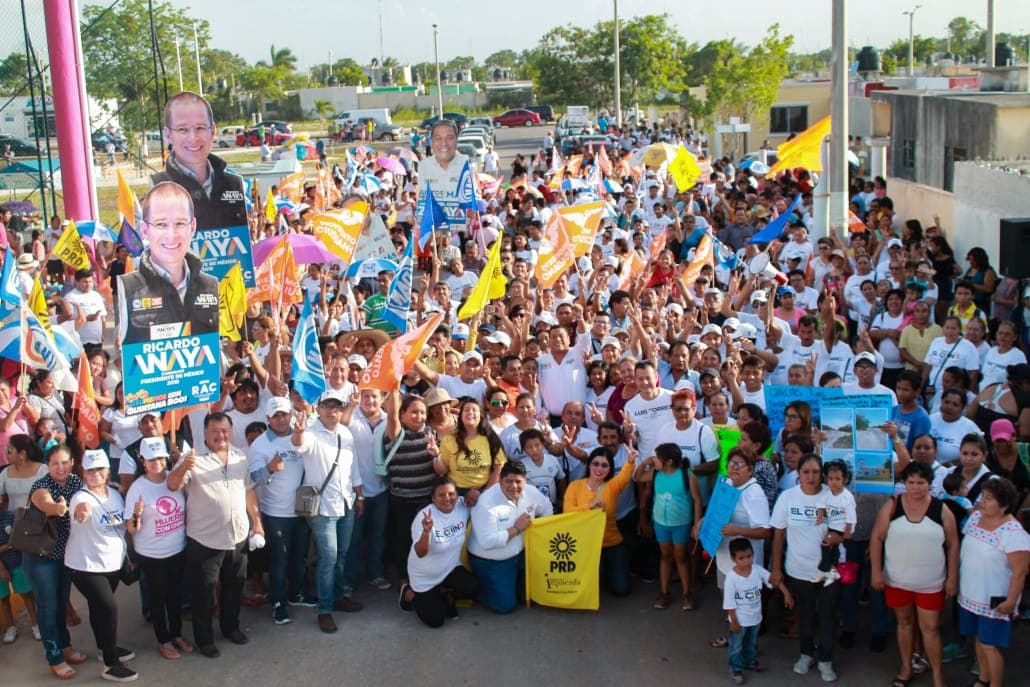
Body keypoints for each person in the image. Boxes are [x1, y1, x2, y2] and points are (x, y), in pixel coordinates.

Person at [166, 413, 265, 658]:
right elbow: (172, 485)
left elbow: (248, 491)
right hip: (205, 539)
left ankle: (231, 628)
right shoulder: (192, 458)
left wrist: (257, 522)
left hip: (237, 536)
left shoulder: (240, 456)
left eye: (225, 430)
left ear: (231, 431)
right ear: (205, 433)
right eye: (215, 431)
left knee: (234, 587)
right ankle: (205, 639)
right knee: (204, 594)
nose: (220, 435)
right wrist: (183, 468)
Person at [870, 461, 960, 687]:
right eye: (911, 482)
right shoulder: (892, 505)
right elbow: (877, 538)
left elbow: (953, 544)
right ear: (905, 483)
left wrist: (952, 577)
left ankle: (938, 677)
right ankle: (906, 667)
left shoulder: (942, 509)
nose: (916, 487)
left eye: (921, 482)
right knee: (904, 623)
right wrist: (876, 572)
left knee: (931, 629)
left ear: (929, 484)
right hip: (896, 580)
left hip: (931, 583)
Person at [116, 181, 219, 345]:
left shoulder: (210, 285)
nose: (171, 235)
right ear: (145, 230)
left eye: (180, 223)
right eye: (161, 224)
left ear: (192, 227)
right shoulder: (129, 288)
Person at [66, 449, 138, 682]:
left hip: (112, 563)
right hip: (86, 566)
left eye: (100, 469)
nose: (95, 474)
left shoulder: (115, 495)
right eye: (90, 470)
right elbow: (80, 513)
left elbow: (122, 524)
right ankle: (110, 664)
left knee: (99, 608)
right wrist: (82, 514)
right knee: (108, 608)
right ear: (83, 473)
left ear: (108, 471)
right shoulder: (80, 498)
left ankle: (104, 647)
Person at [771, 453, 843, 683]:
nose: (811, 477)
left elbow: (844, 531)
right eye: (806, 472)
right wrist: (776, 568)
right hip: (798, 569)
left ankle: (826, 659)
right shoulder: (787, 498)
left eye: (815, 472)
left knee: (827, 615)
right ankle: (806, 653)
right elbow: (778, 535)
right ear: (798, 474)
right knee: (805, 614)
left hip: (829, 570)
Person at [123, 437, 192, 660]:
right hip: (152, 554)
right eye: (151, 459)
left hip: (177, 549)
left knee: (175, 596)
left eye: (160, 458)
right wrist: (137, 514)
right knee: (158, 598)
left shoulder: (175, 479)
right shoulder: (138, 487)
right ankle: (163, 640)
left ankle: (177, 634)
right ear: (143, 461)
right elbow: (131, 528)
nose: (156, 463)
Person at [957, 478, 1029, 687]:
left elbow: (1020, 572)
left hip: (995, 600)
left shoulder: (1014, 533)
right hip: (970, 593)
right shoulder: (974, 518)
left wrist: (1011, 601)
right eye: (982, 496)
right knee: (979, 640)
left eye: (989, 498)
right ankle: (983, 679)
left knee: (989, 645)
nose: (981, 501)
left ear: (1004, 505)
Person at [24, 445, 87, 679]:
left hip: (65, 556)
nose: (60, 468)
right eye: (54, 463)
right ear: (47, 466)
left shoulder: (76, 482)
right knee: (47, 607)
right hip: (41, 558)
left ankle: (65, 646)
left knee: (61, 604)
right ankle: (54, 656)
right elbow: (44, 502)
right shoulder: (41, 486)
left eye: (64, 462)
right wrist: (56, 508)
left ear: (72, 463)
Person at [247, 397, 311, 624]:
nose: (281, 419)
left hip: (302, 508)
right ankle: (277, 603)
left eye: (284, 414)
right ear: (268, 418)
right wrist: (270, 468)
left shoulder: (301, 434)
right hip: (276, 514)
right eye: (276, 416)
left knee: (299, 557)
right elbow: (253, 480)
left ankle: (296, 594)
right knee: (278, 562)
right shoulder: (260, 445)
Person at [151, 91, 247, 230]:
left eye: (200, 128)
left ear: (212, 131)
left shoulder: (233, 184)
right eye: (182, 129)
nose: (193, 138)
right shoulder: (159, 187)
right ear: (168, 134)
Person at [467, 460, 552, 613]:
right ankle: (473, 588)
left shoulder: (531, 491)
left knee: (533, 593)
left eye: (518, 481)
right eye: (508, 481)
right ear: (500, 480)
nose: (514, 486)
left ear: (525, 480)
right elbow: (487, 542)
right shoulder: (485, 503)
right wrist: (517, 529)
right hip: (492, 561)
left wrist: (539, 531)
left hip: (522, 554)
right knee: (505, 605)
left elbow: (547, 508)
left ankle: (509, 584)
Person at [563, 445, 638, 597]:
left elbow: (625, 475)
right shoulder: (574, 486)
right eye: (595, 463)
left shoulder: (612, 486)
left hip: (611, 544)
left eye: (604, 465)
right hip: (584, 545)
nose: (599, 468)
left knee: (621, 590)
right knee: (584, 589)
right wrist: (588, 507)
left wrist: (630, 461)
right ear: (589, 465)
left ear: (610, 469)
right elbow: (567, 512)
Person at [406, 477, 479, 627]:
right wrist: (426, 532)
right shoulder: (424, 517)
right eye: (441, 495)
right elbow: (420, 553)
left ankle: (445, 593)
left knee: (473, 587)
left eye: (451, 494)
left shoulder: (463, 505)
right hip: (425, 577)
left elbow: (481, 500)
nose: (447, 499)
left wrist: (476, 493)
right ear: (433, 498)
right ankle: (409, 593)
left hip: (449, 569)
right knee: (436, 621)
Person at [636, 443, 702, 610]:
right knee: (665, 556)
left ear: (669, 461)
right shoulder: (656, 473)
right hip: (660, 524)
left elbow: (697, 500)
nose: (654, 460)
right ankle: (664, 593)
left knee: (681, 556)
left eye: (657, 458)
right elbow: (638, 477)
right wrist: (644, 463)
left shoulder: (687, 475)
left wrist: (696, 524)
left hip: (681, 525)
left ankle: (687, 594)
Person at [723, 537, 794, 684]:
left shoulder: (757, 570)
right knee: (736, 646)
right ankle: (736, 668)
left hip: (755, 618)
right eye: (741, 558)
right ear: (733, 559)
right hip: (739, 620)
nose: (746, 561)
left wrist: (786, 593)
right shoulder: (731, 579)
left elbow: (773, 579)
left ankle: (750, 662)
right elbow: (729, 604)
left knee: (751, 643)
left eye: (749, 556)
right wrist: (734, 622)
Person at [0, 435, 46, 642]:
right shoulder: (5, 473)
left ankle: (43, 619)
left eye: (9, 450)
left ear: (22, 454)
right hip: (14, 531)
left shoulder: (43, 470)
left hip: (41, 528)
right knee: (23, 578)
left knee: (41, 576)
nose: (6, 453)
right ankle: (21, 624)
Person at [434, 397, 506, 505]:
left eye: (474, 410)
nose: (470, 412)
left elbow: (498, 468)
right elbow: (442, 471)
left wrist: (483, 493)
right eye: (466, 410)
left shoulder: (491, 438)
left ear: (481, 415)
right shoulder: (449, 439)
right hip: (456, 493)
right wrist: (436, 455)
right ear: (461, 415)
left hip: (485, 491)